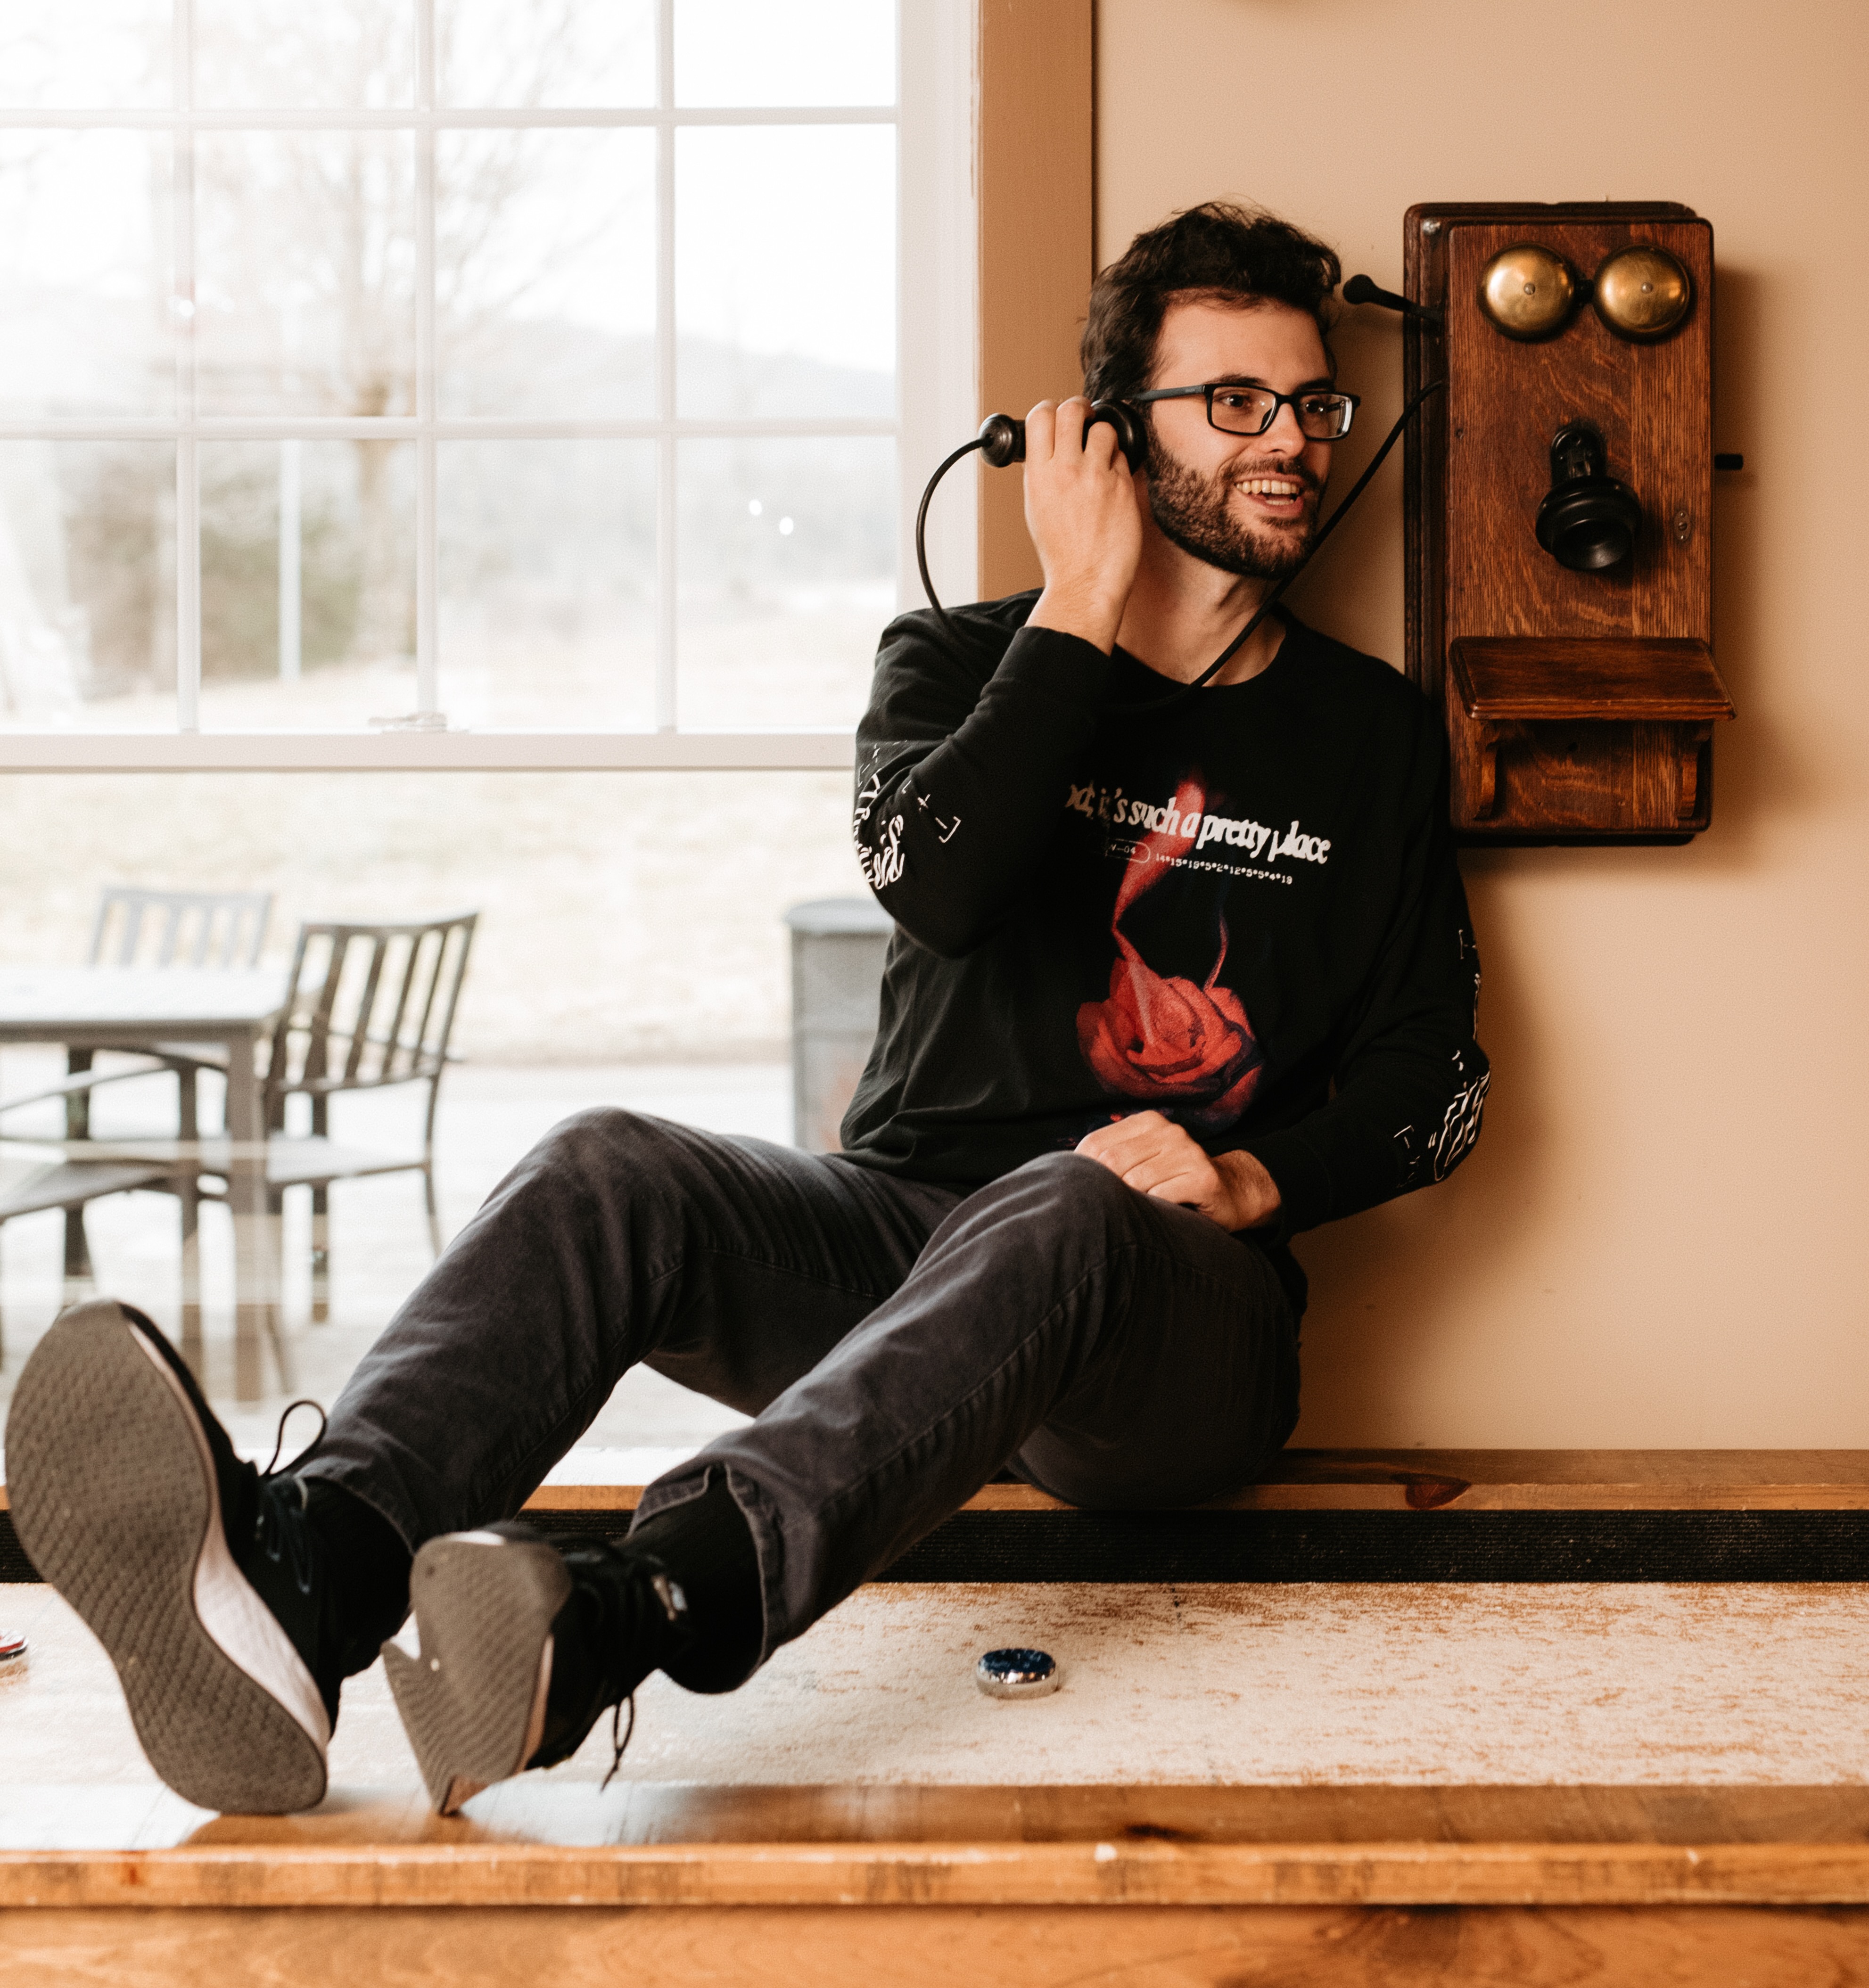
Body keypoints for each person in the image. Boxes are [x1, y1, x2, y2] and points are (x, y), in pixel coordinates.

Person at [6, 201, 1488, 1818]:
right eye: (1238, 402)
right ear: (1107, 438)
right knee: (605, 1165)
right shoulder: (954, 662)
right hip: (902, 1250)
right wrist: (1076, 606)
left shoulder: (1375, 736)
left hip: (1167, 1321)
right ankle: (313, 1577)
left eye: (1313, 406)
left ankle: (632, 1610)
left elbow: (1444, 1079)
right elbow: (939, 885)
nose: (1293, 444)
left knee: (1060, 1200)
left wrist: (1252, 1180)